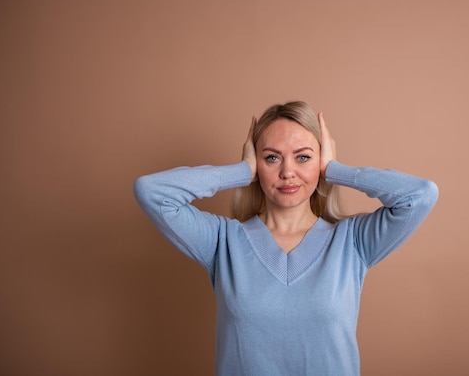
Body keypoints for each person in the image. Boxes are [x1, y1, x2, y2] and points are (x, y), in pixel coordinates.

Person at [134, 101, 438, 376]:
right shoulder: (222, 241)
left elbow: (420, 195)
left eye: (303, 157)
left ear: (319, 161)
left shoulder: (353, 242)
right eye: (271, 158)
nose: (287, 172)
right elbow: (152, 192)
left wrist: (334, 169)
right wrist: (242, 171)